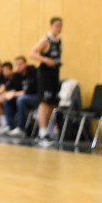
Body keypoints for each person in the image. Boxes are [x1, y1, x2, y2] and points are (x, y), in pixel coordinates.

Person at [29, 16, 63, 145]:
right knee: (44, 102)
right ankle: (42, 132)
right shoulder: (45, 39)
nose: (59, 28)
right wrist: (46, 60)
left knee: (51, 103)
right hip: (44, 74)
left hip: (55, 73)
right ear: (51, 26)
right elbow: (32, 53)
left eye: (60, 26)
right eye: (57, 25)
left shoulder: (59, 40)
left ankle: (48, 131)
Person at [3, 55, 39, 137]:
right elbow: (13, 89)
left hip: (35, 97)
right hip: (24, 97)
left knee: (21, 99)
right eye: (16, 65)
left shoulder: (32, 71)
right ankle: (10, 126)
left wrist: (14, 94)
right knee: (6, 100)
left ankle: (20, 128)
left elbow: (30, 91)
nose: (18, 67)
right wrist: (10, 94)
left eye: (20, 64)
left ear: (25, 64)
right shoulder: (17, 75)